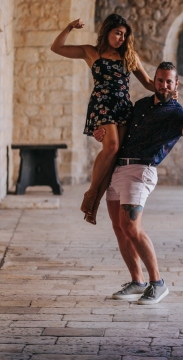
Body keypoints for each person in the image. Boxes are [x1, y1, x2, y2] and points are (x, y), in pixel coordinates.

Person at [93, 61, 183, 305]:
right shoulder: (141, 105)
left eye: (169, 81)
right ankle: (137, 281)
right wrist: (101, 133)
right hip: (118, 168)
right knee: (119, 227)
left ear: (176, 84)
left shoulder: (177, 113)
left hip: (140, 170)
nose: (163, 85)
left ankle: (158, 283)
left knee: (131, 227)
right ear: (154, 81)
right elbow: (120, 131)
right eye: (160, 80)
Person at [50, 14, 156, 224]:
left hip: (124, 109)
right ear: (107, 31)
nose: (121, 38)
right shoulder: (91, 52)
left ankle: (94, 206)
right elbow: (57, 47)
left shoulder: (129, 56)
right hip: (102, 106)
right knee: (112, 147)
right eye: (118, 33)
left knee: (114, 157)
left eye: (125, 35)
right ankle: (91, 194)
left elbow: (147, 82)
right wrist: (70, 26)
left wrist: (167, 89)